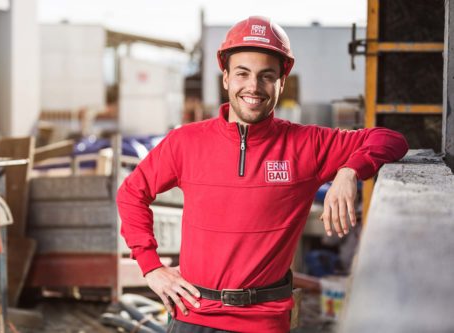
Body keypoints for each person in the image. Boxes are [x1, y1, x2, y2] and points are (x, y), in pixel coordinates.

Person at [117, 16, 408, 333]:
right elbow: (131, 193)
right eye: (242, 73)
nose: (253, 86)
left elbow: (391, 139)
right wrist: (151, 267)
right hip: (192, 317)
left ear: (282, 81)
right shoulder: (185, 142)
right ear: (226, 78)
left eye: (266, 76)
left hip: (264, 323)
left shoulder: (307, 144)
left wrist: (350, 170)